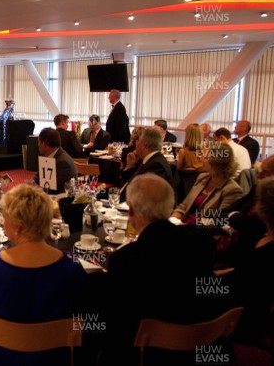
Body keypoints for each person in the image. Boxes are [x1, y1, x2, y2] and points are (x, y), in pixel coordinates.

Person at [104, 174, 216, 366]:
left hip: (145, 356)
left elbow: (116, 324)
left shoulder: (126, 260)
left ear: (130, 211)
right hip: (200, 349)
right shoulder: (201, 241)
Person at [0, 184, 88, 365]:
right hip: (55, 359)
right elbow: (80, 317)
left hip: (1, 358)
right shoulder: (72, 267)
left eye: (5, 218)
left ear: (18, 227)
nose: (2, 222)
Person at [220, 178, 274, 347]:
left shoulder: (264, 255)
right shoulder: (264, 243)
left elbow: (234, 287)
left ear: (262, 208)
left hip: (243, 336)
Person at [171, 142, 242, 224]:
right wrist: (173, 219)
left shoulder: (232, 189)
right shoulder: (202, 177)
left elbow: (219, 222)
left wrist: (186, 226)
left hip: (202, 232)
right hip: (184, 224)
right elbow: (184, 206)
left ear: (216, 162)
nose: (200, 158)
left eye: (204, 157)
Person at [120, 128, 174, 199]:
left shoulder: (156, 165)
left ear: (144, 145)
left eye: (138, 141)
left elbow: (139, 192)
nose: (136, 144)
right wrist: (129, 166)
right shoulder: (151, 160)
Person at [32, 128, 78, 194]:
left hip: (60, 200)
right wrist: (32, 180)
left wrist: (33, 188)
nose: (38, 145)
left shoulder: (63, 162)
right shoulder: (52, 155)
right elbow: (38, 175)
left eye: (39, 142)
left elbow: (50, 188)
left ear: (44, 143)